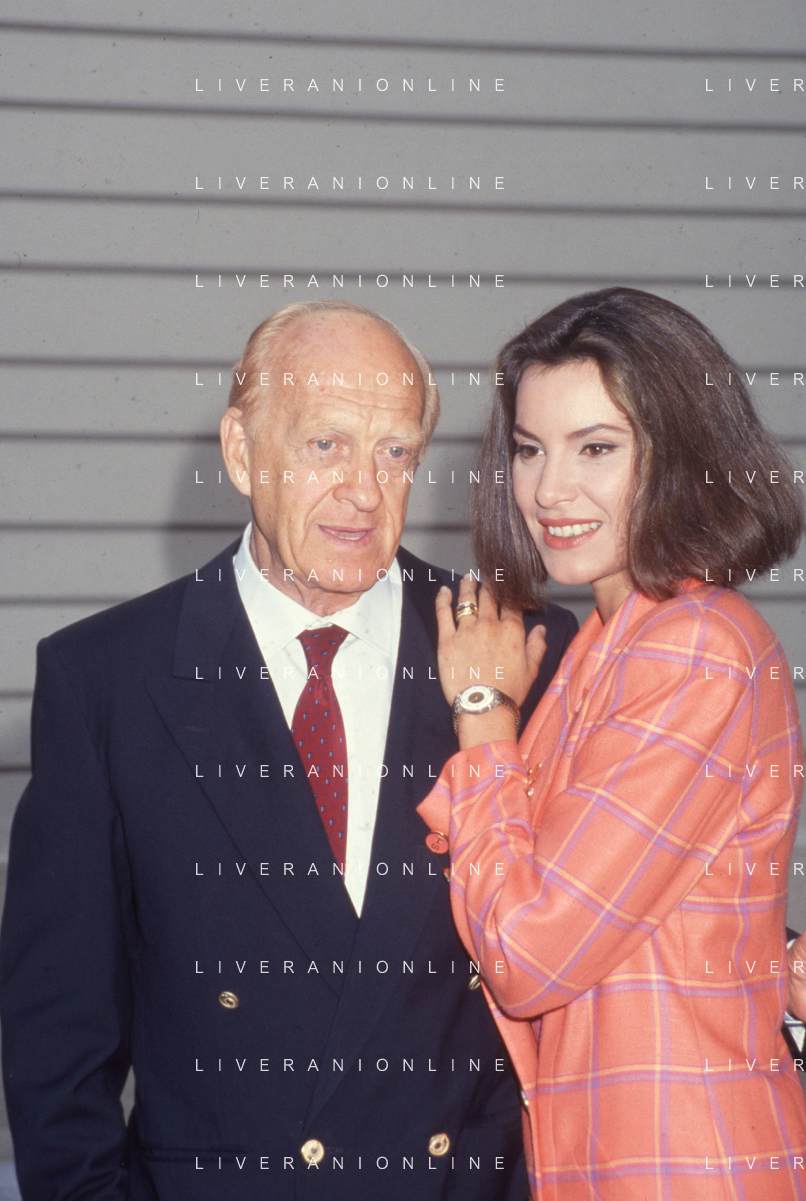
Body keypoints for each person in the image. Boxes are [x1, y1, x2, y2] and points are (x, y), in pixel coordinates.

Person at [0, 300, 578, 1200]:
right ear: (241, 452)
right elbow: (58, 1042)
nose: (364, 491)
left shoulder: (526, 651)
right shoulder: (107, 680)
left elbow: (621, 915)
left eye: (395, 452)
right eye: (325, 445)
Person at [418, 287, 806, 1199]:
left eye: (596, 448)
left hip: (685, 1163)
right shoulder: (604, 644)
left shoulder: (694, 645)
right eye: (529, 449)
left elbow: (529, 953)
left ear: (681, 455)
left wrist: (482, 712)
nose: (550, 490)